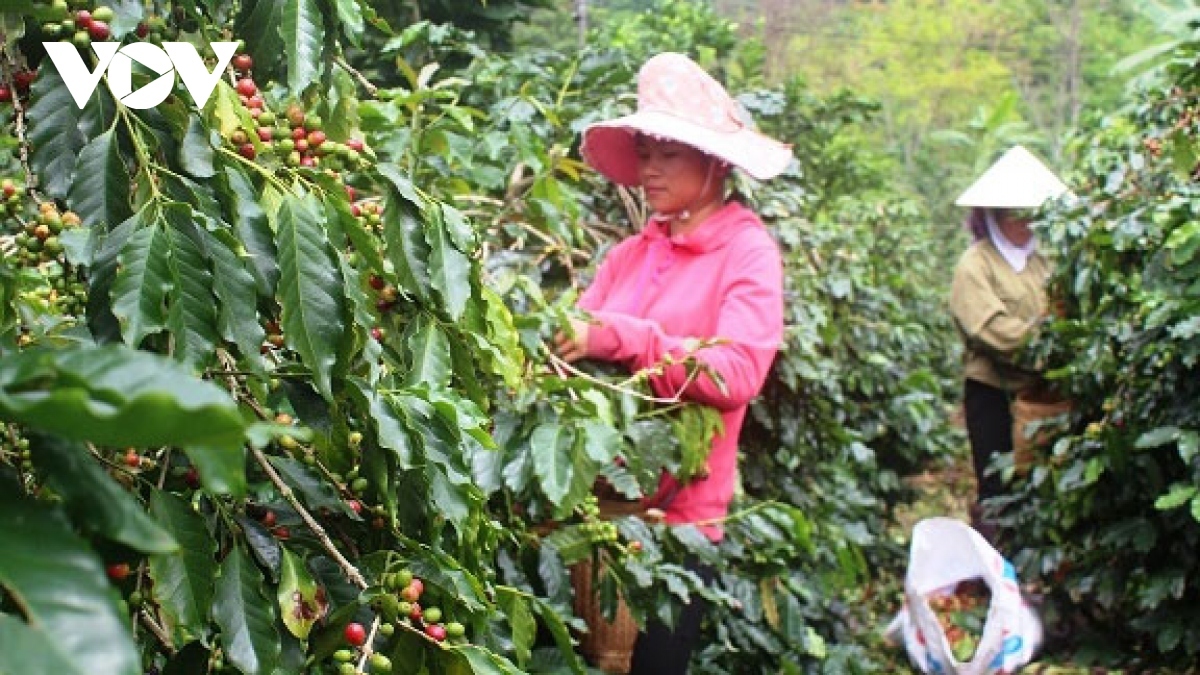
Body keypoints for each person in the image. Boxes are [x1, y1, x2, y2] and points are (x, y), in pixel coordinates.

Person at [552, 52, 793, 673]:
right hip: (597, 514)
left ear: (713, 161)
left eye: (669, 153)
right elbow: (574, 346)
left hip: (675, 525)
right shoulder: (629, 254)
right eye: (646, 152)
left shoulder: (747, 252)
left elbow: (736, 372)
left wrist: (624, 339)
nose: (650, 169)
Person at [948, 145, 1069, 534]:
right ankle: (999, 569)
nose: (1027, 223)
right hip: (994, 394)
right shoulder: (976, 264)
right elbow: (988, 328)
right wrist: (1047, 344)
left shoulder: (1042, 261)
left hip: (1040, 396)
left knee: (1043, 481)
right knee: (998, 484)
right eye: (1018, 215)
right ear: (995, 216)